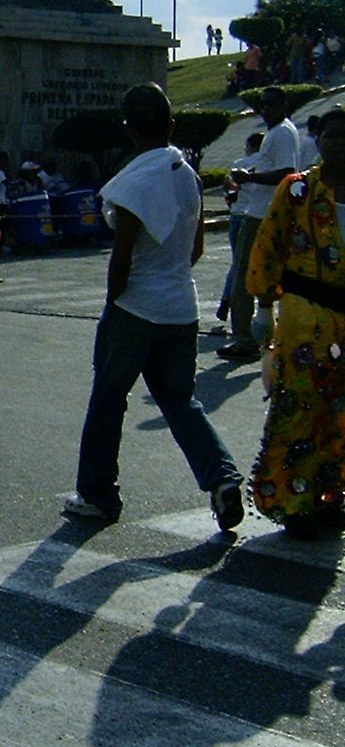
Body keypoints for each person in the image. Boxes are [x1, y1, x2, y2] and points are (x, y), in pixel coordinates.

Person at [64, 83, 244, 529]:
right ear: (171, 125)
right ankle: (221, 477)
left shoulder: (133, 182)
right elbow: (196, 248)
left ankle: (97, 494)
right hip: (182, 307)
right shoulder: (188, 175)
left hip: (136, 307)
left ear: (128, 129)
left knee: (108, 400)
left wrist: (114, 305)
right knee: (180, 402)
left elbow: (121, 258)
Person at [246, 105, 345, 536]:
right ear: (318, 141)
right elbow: (270, 245)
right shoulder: (298, 190)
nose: (338, 143)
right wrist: (263, 307)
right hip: (306, 314)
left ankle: (331, 497)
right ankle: (293, 499)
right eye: (330, 135)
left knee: (339, 410)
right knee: (302, 406)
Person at [218, 86, 300, 361]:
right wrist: (248, 175)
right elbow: (273, 168)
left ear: (283, 105)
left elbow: (288, 172)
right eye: (262, 104)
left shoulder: (282, 133)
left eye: (271, 104)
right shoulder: (278, 132)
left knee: (243, 274)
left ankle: (245, 339)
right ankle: (265, 334)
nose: (265, 109)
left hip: (262, 214)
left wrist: (249, 179)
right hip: (263, 209)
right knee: (264, 277)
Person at [214, 131, 262, 326]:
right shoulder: (267, 164)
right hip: (255, 214)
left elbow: (230, 189)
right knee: (248, 263)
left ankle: (227, 300)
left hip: (237, 215)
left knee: (238, 262)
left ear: (251, 146)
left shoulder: (239, 163)